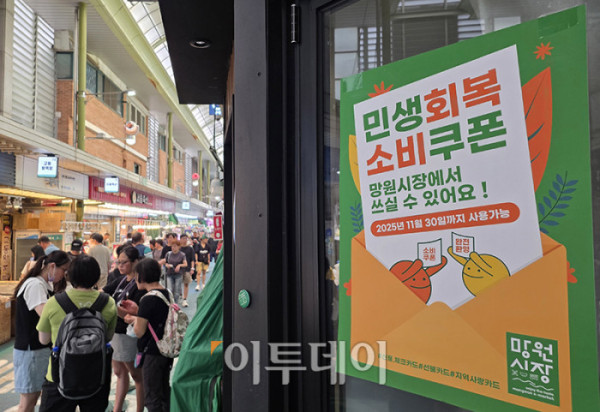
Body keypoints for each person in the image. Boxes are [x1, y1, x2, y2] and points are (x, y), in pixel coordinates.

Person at [37, 255, 117, 412]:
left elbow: (43, 339)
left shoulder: (54, 302)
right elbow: (108, 337)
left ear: (69, 276)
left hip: (59, 377)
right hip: (96, 377)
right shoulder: (108, 303)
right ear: (96, 277)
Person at [13, 251, 70, 412]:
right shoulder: (35, 285)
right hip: (31, 350)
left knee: (33, 397)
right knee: (28, 401)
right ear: (52, 266)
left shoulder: (44, 285)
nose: (64, 275)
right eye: (63, 270)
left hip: (38, 349)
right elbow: (45, 315)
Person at [122, 259, 173, 412]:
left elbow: (139, 331)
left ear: (142, 276)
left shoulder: (148, 298)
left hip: (151, 352)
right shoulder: (166, 293)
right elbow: (157, 318)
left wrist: (133, 320)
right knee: (163, 391)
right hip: (165, 349)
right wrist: (138, 313)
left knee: (151, 396)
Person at [102, 246, 145, 412]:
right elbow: (103, 292)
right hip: (115, 333)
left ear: (135, 262)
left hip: (129, 335)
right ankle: (117, 409)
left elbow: (133, 315)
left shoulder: (140, 284)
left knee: (136, 375)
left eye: (123, 262)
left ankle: (139, 408)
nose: (119, 266)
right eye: (118, 262)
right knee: (119, 372)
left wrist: (111, 306)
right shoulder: (120, 280)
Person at [159, 239, 186, 303]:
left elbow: (185, 264)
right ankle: (171, 303)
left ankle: (175, 303)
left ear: (179, 247)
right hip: (169, 274)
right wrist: (167, 265)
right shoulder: (168, 254)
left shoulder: (182, 255)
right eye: (172, 246)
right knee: (170, 290)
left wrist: (179, 265)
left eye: (175, 246)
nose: (173, 248)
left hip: (178, 274)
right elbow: (165, 262)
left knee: (177, 291)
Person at [179, 234, 196, 307]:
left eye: (186, 238)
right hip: (179, 269)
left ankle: (185, 299)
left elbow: (192, 259)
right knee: (178, 285)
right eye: (183, 238)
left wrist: (192, 268)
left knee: (186, 284)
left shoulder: (190, 248)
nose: (185, 240)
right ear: (180, 239)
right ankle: (179, 296)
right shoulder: (178, 248)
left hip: (187, 269)